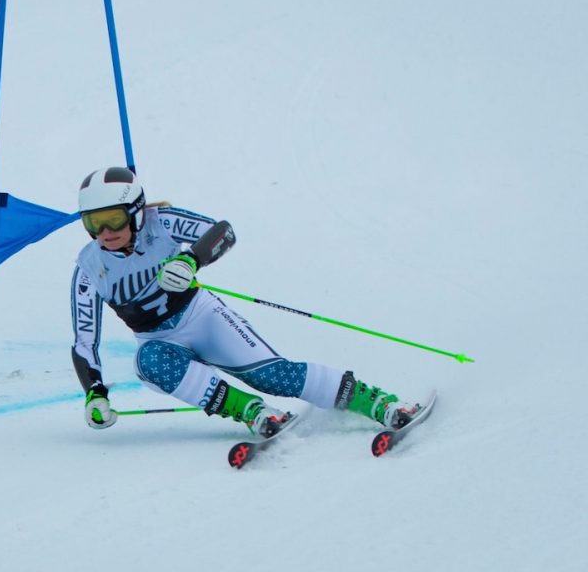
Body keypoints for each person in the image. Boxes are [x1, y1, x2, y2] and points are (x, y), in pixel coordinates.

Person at [70, 166, 420, 435]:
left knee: (272, 375)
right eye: (93, 222)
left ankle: (377, 402)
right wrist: (95, 392)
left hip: (201, 318)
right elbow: (85, 341)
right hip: (159, 341)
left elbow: (222, 231)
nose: (105, 232)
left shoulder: (160, 223)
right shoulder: (89, 269)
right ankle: (253, 412)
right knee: (149, 361)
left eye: (113, 219)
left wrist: (191, 260)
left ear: (134, 212)